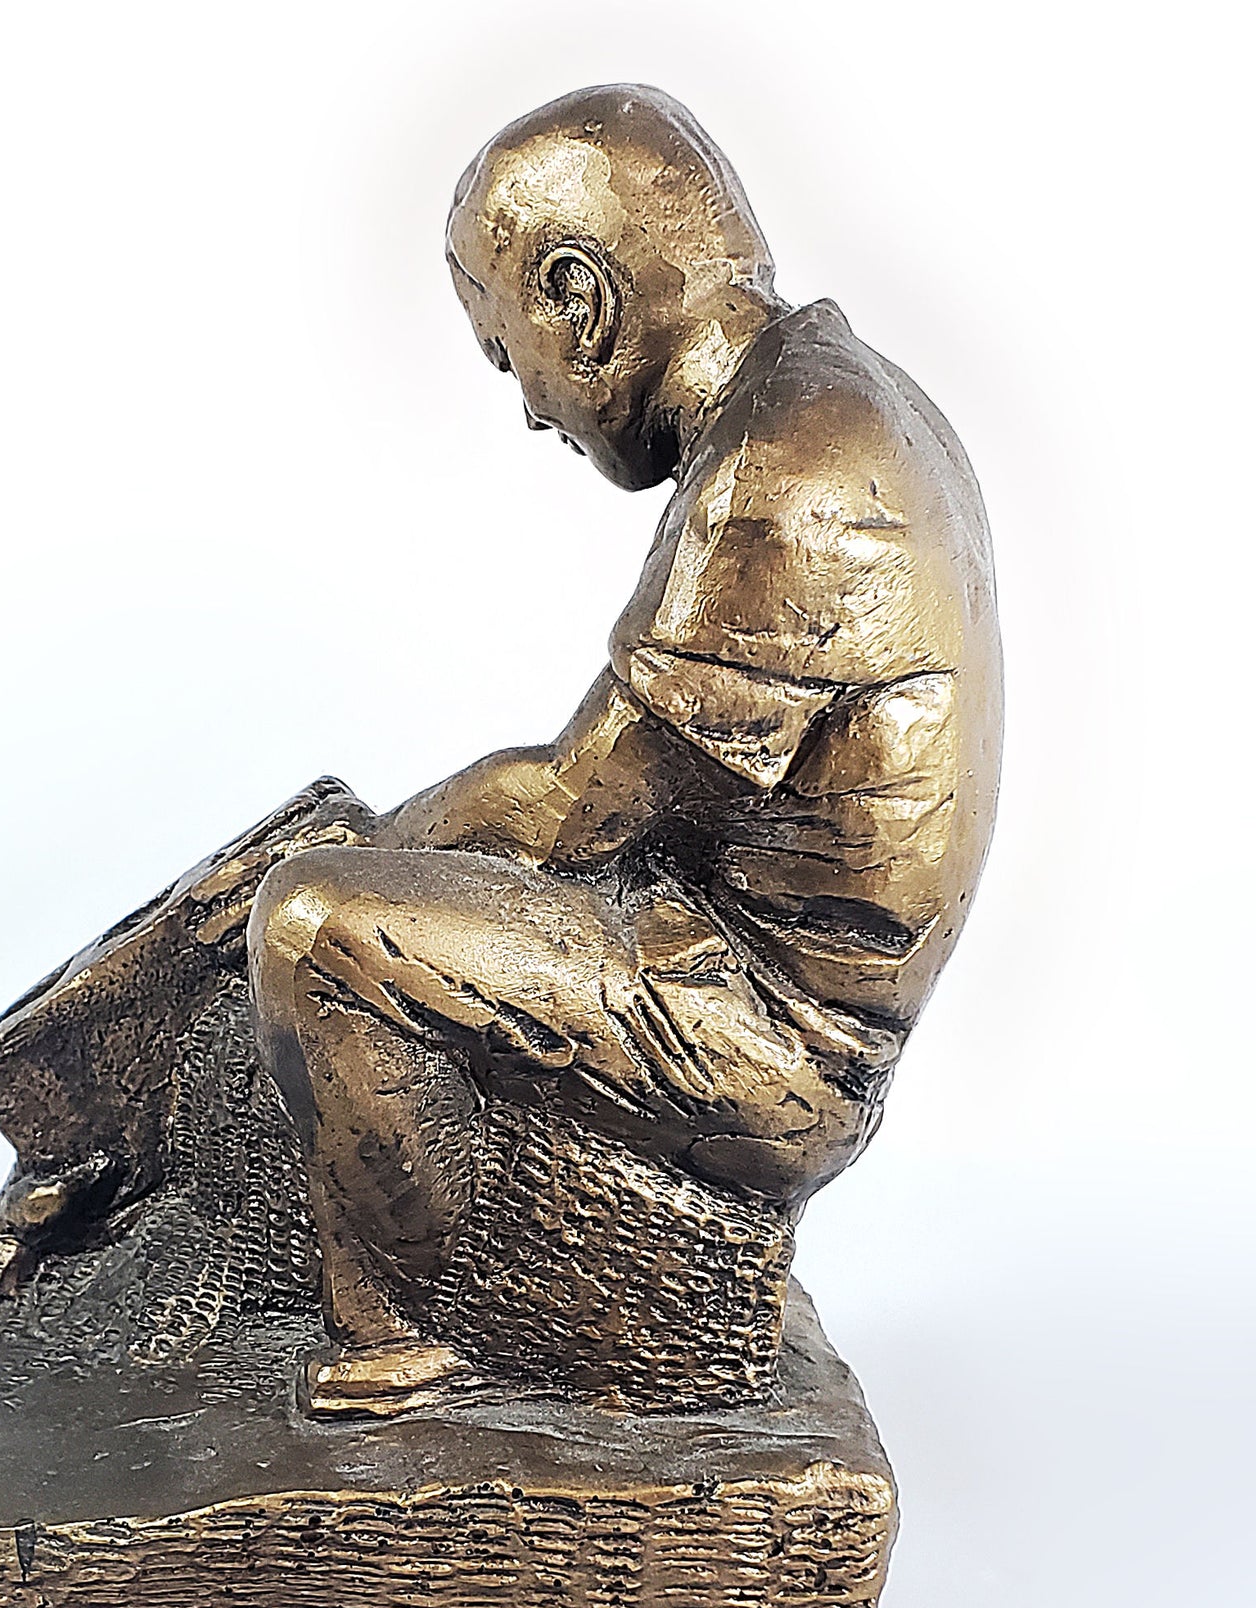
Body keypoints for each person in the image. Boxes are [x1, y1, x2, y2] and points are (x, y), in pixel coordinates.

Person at [247, 83, 1002, 1413]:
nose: (529, 408)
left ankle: (419, 1341)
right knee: (345, 888)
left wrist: (360, 853)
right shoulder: (843, 400)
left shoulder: (787, 469)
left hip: (773, 1037)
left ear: (579, 299)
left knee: (312, 925)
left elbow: (569, 810)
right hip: (711, 947)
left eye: (508, 355)